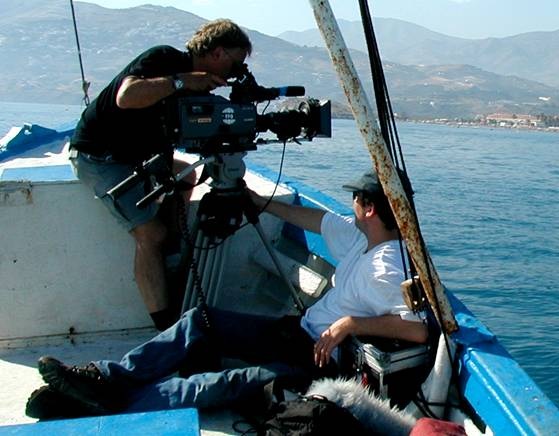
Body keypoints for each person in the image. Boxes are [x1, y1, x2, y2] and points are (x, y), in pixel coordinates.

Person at [26, 169, 429, 419]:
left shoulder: (388, 265)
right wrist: (262, 204)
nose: (350, 204)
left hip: (318, 362)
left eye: (356, 198)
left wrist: (352, 323)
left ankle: (103, 402)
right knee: (200, 321)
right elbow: (317, 219)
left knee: (224, 382)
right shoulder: (362, 238)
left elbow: (420, 331)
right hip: (297, 333)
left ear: (370, 209)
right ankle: (105, 378)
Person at [69, 19, 253, 330]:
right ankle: (164, 326)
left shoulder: (200, 86)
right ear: (218, 53)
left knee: (187, 177)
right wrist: (182, 82)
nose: (234, 72)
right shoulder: (164, 60)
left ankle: (170, 249)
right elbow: (126, 97)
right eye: (235, 65)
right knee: (149, 234)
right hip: (101, 156)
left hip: (143, 157)